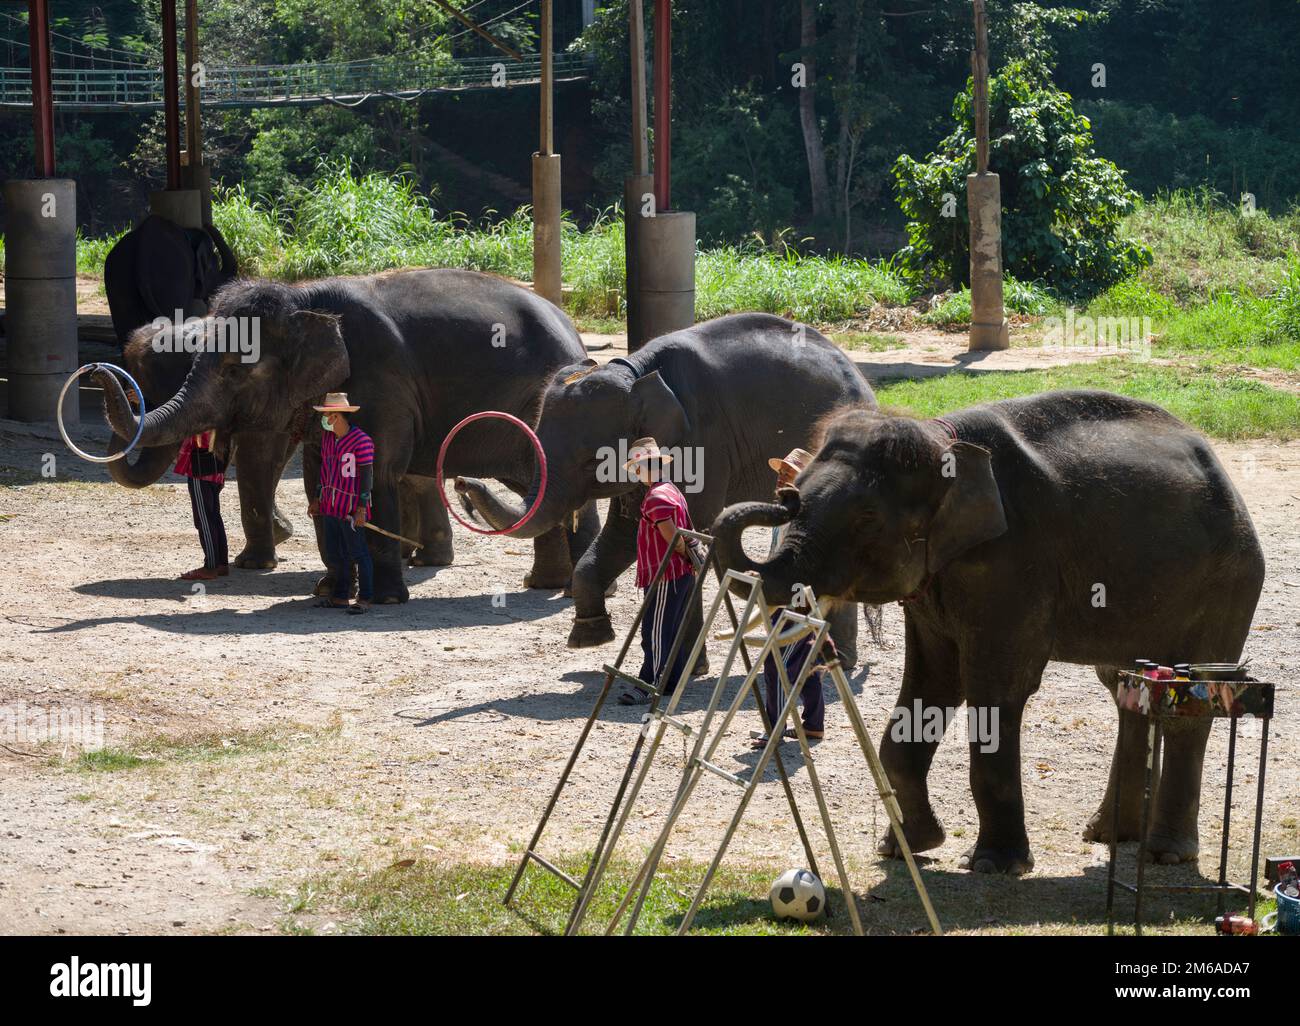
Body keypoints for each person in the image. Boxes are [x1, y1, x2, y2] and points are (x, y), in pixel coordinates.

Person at [752, 447, 829, 747]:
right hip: (793, 594)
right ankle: (813, 724)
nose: (782, 476)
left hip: (795, 597)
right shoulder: (787, 510)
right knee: (808, 659)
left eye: (789, 472)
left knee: (777, 661)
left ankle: (775, 728)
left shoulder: (804, 513)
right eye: (781, 471)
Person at [619, 437, 699, 706]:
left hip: (666, 573)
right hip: (678, 573)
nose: (636, 473)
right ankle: (670, 682)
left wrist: (685, 554)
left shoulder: (655, 497)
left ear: (642, 467)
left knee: (655, 630)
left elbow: (673, 537)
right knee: (671, 629)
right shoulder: (671, 490)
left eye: (636, 468)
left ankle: (647, 684)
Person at [308, 392, 374, 614]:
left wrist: (361, 509)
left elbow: (366, 477)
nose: (324, 420)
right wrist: (317, 498)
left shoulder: (362, 441)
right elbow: (324, 472)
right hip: (329, 505)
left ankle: (365, 598)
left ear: (336, 416)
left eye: (327, 415)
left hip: (350, 507)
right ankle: (341, 596)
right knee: (336, 553)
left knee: (359, 552)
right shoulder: (327, 440)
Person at [176, 429, 229, 581]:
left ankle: (210, 567)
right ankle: (221, 564)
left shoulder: (201, 418)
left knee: (204, 520)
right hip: (216, 470)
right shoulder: (220, 417)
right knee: (214, 518)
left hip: (200, 472)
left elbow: (191, 442)